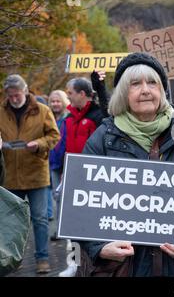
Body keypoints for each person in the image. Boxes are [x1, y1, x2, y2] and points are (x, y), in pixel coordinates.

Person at [79, 52, 174, 276]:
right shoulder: (101, 141)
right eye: (135, 84)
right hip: (126, 269)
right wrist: (99, 247)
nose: (145, 90)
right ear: (122, 94)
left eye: (152, 83)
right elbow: (79, 203)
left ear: (162, 91)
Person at [0, 74, 60, 274]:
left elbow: (54, 136)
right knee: (11, 223)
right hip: (10, 176)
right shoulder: (1, 111)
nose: (14, 99)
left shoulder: (42, 110)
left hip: (36, 175)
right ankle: (10, 259)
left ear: (25, 91)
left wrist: (39, 144)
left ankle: (42, 258)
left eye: (17, 95)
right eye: (10, 96)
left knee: (40, 219)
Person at [58, 73, 109, 277]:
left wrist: (101, 86)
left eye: (70, 92)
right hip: (72, 175)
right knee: (71, 224)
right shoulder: (69, 118)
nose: (67, 96)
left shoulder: (98, 115)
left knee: (92, 225)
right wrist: (63, 172)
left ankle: (94, 263)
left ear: (82, 93)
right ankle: (74, 264)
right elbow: (67, 148)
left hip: (95, 178)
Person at [48, 90, 70, 239]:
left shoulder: (68, 118)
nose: (55, 104)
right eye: (53, 101)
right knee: (57, 198)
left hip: (66, 163)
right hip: (54, 164)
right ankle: (59, 229)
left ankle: (68, 228)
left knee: (66, 198)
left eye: (58, 101)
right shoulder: (49, 117)